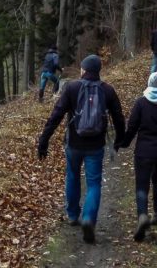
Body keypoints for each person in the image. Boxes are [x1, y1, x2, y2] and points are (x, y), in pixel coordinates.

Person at [37, 55, 126, 244]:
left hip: (74, 144)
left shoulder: (72, 87)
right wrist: (119, 139)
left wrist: (44, 140)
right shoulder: (107, 90)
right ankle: (88, 219)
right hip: (96, 145)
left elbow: (56, 115)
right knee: (94, 183)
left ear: (84, 70)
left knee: (73, 176)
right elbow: (118, 117)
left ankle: (72, 215)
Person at [119, 72, 157, 242]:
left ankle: (142, 216)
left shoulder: (141, 103)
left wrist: (123, 143)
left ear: (149, 83)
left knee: (142, 185)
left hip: (144, 152)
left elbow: (132, 127)